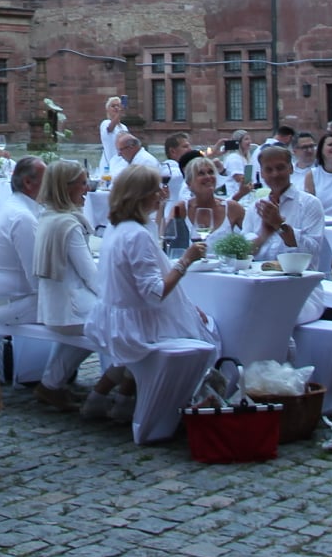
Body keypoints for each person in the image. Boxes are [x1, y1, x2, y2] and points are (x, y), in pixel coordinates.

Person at [83, 167, 212, 423]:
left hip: (114, 319)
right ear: (140, 195)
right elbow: (155, 293)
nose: (160, 194)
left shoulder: (116, 228)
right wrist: (185, 260)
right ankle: (151, 403)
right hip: (133, 326)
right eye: (155, 191)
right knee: (209, 333)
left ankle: (106, 399)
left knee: (137, 352)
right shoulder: (136, 235)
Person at [31, 161, 103, 411]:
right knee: (124, 320)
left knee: (81, 333)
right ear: (67, 187)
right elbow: (90, 275)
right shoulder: (69, 224)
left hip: (55, 307)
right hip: (72, 309)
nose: (87, 188)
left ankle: (51, 385)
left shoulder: (47, 216)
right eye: (83, 183)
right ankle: (116, 389)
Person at [210, 144, 328, 268]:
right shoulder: (255, 208)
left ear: (291, 168)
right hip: (259, 280)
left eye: (280, 168)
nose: (275, 174)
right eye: (269, 169)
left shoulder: (309, 204)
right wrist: (263, 235)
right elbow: (243, 254)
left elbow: (312, 251)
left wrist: (280, 226)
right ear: (261, 173)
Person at [0, 157, 47, 323]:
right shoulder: (22, 217)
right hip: (13, 305)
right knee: (89, 312)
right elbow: (38, 278)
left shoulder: (15, 207)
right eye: (47, 180)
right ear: (28, 183)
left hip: (12, 301)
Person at [169, 156, 245, 252]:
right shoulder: (181, 209)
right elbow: (168, 241)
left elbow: (251, 237)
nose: (208, 177)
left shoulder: (232, 208)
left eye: (211, 172)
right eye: (201, 173)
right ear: (189, 183)